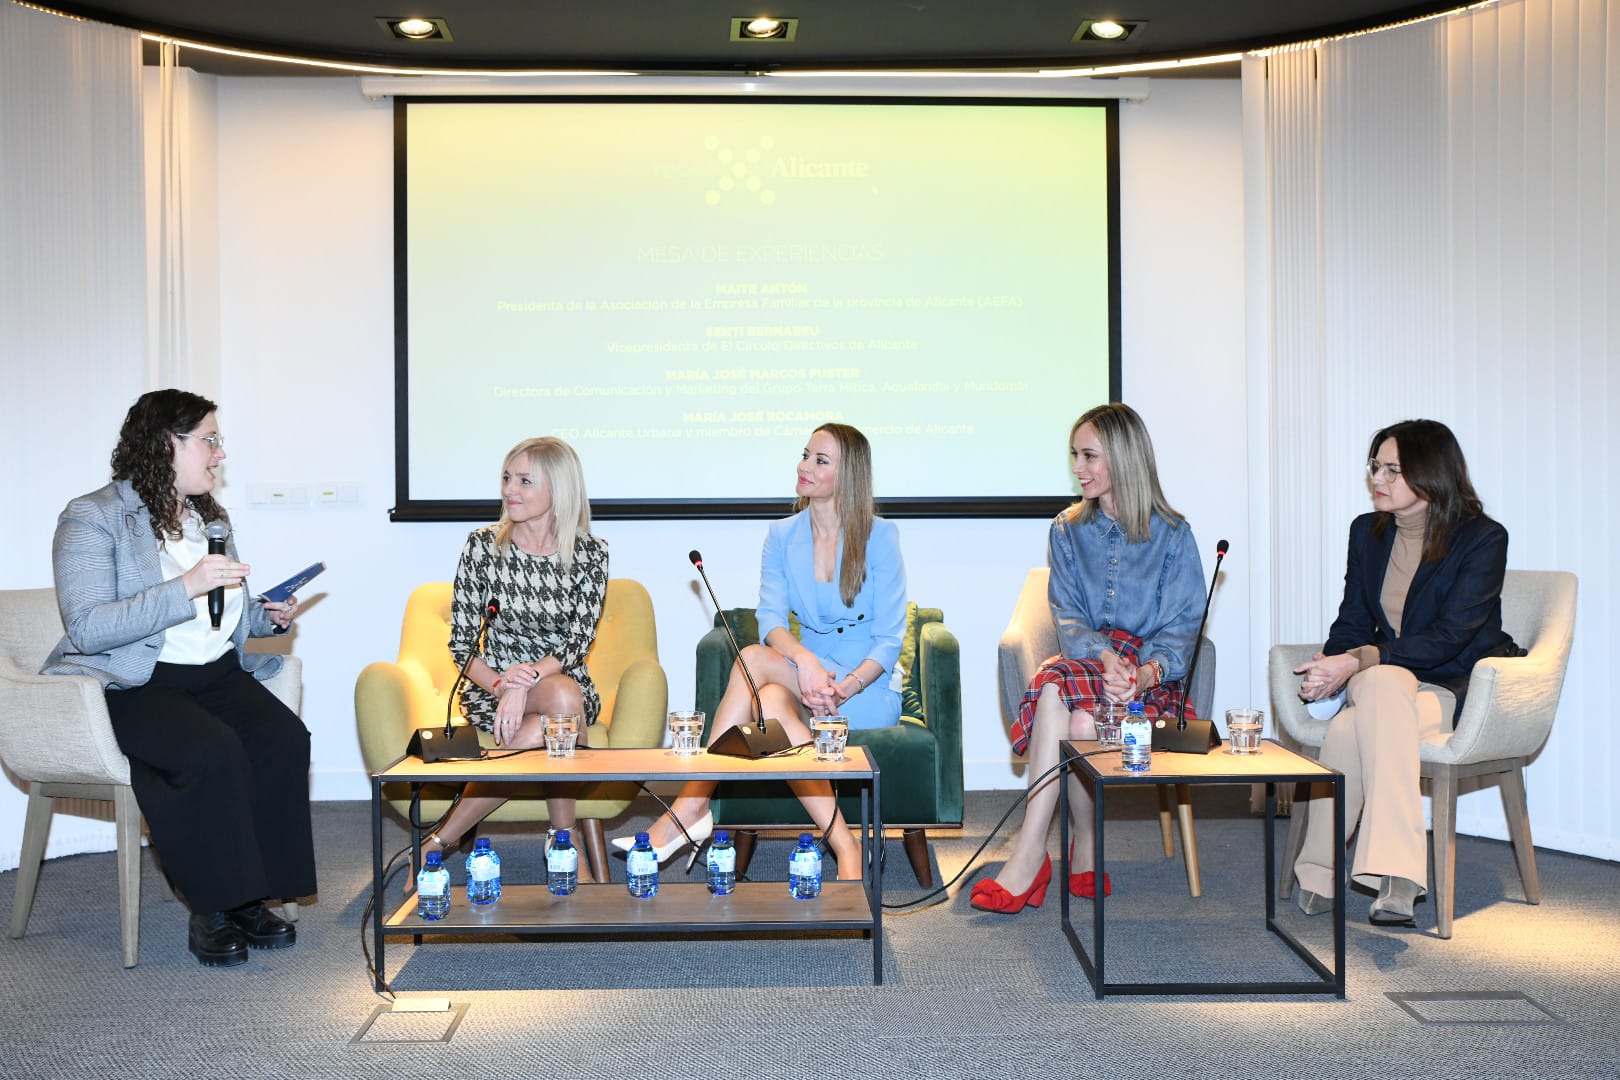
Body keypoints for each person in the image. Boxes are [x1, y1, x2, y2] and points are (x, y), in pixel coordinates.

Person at [42, 390, 313, 967]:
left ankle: (252, 895)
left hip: (214, 674)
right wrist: (186, 585)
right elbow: (88, 627)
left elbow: (220, 616)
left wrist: (265, 616)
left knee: (284, 739)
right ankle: (213, 906)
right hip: (137, 682)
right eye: (209, 440)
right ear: (168, 443)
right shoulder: (92, 517)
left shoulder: (210, 519)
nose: (220, 454)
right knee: (210, 750)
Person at [616, 423, 906, 880]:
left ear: (848, 475)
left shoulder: (880, 536)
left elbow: (889, 639)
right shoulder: (783, 535)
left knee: (751, 661)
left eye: (820, 460)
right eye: (805, 454)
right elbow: (770, 619)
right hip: (807, 680)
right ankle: (846, 847)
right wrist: (806, 662)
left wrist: (846, 687)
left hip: (865, 687)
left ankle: (692, 806)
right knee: (768, 698)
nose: (804, 466)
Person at [973, 403, 1204, 914]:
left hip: (1151, 677)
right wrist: (1102, 655)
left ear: (1122, 458)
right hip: (1088, 661)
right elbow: (1069, 615)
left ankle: (1071, 849)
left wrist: (1143, 674)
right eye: (1074, 455)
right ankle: (1039, 850)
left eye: (1089, 456)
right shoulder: (1067, 529)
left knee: (1079, 717)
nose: (1077, 467)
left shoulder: (1173, 535)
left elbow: (1183, 626)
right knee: (1061, 687)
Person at [1292, 419, 1519, 927]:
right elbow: (1352, 620)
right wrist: (1332, 667)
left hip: (1451, 684)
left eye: (1392, 470)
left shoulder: (1482, 539)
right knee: (1379, 684)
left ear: (1431, 475)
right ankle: (1396, 874)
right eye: (1376, 466)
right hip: (1387, 683)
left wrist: (1359, 660)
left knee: (1353, 723)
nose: (1377, 478)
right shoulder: (1367, 533)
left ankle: (1322, 870)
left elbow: (1450, 636)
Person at [421, 437, 609, 874]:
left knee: (558, 702)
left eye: (525, 481)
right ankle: (565, 843)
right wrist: (505, 686)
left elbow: (578, 641)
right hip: (492, 689)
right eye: (507, 478)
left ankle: (435, 843)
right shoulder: (483, 547)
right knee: (559, 713)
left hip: (562, 681)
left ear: (558, 488)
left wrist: (526, 683)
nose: (510, 490)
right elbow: (462, 646)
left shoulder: (590, 553)